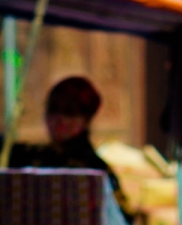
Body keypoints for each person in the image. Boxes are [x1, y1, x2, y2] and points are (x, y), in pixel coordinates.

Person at [8, 76, 128, 208]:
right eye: (53, 109)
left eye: (69, 112)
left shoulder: (94, 170)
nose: (59, 119)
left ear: (85, 119)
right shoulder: (29, 156)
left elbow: (121, 220)